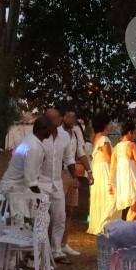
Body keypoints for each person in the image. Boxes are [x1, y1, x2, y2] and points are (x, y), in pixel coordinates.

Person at [0, 116, 53, 221]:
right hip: (14, 189)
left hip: (18, 188)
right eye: (49, 128)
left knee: (28, 222)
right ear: (42, 129)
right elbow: (30, 180)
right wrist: (40, 199)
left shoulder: (31, 140)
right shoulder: (33, 146)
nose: (51, 131)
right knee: (23, 226)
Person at [41, 108, 71, 264]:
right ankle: (40, 250)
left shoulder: (65, 136)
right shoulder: (39, 135)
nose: (51, 122)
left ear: (60, 119)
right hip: (41, 182)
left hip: (57, 182)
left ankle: (56, 249)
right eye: (48, 118)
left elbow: (69, 158)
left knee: (60, 216)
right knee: (42, 218)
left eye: (54, 119)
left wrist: (74, 176)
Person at [111, 118, 136, 221]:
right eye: (134, 133)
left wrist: (111, 184)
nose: (135, 135)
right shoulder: (132, 145)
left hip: (124, 182)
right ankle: (128, 231)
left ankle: (128, 230)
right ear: (129, 132)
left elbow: (112, 168)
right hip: (134, 181)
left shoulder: (116, 148)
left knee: (132, 210)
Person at [58, 109, 85, 256]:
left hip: (72, 172)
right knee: (57, 210)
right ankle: (54, 243)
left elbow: (80, 152)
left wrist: (90, 171)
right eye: (69, 116)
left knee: (69, 209)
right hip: (60, 173)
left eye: (74, 117)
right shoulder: (57, 132)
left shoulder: (75, 133)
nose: (71, 119)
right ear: (63, 117)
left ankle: (64, 243)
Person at [86, 114, 117, 235]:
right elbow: (109, 158)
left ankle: (99, 223)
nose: (110, 126)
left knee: (101, 196)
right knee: (110, 197)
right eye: (109, 123)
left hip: (97, 170)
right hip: (104, 170)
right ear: (105, 125)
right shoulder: (104, 140)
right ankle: (105, 224)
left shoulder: (96, 139)